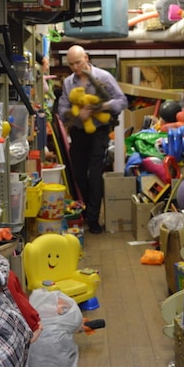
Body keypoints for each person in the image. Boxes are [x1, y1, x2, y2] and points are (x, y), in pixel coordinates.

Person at [56, 45, 128, 234]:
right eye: (71, 64)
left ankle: (94, 219)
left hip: (99, 132)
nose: (75, 67)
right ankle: (85, 211)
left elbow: (122, 101)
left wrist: (100, 107)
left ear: (86, 58)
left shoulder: (103, 77)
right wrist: (76, 113)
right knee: (78, 175)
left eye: (78, 62)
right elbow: (61, 109)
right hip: (78, 132)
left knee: (95, 175)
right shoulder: (68, 83)